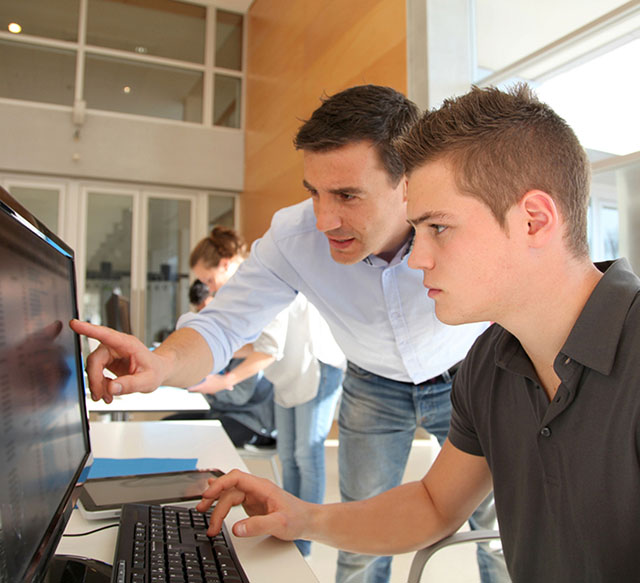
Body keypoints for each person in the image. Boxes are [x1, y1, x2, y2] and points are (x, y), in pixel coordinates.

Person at [194, 83, 640, 581]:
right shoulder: (491, 365)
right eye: (417, 229)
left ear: (533, 221)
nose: (418, 259)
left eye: (438, 228)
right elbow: (432, 505)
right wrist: (305, 517)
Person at [71, 85, 506, 583]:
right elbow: (222, 323)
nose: (324, 220)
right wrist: (163, 364)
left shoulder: (455, 222)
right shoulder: (294, 238)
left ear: (406, 183)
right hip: (372, 383)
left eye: (346, 195)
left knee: (497, 531)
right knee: (358, 539)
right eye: (313, 193)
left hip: (468, 378)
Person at [171, 227, 278, 449]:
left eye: (209, 280)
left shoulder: (258, 287)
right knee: (167, 432)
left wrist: (221, 382)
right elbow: (242, 344)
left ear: (225, 264)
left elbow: (267, 349)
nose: (208, 288)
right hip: (232, 405)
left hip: (252, 412)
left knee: (186, 441)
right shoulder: (236, 295)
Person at [265, 292, 345, 558]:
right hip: (287, 368)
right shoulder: (260, 277)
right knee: (287, 455)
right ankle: (289, 527)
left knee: (306, 454)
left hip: (317, 364)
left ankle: (304, 541)